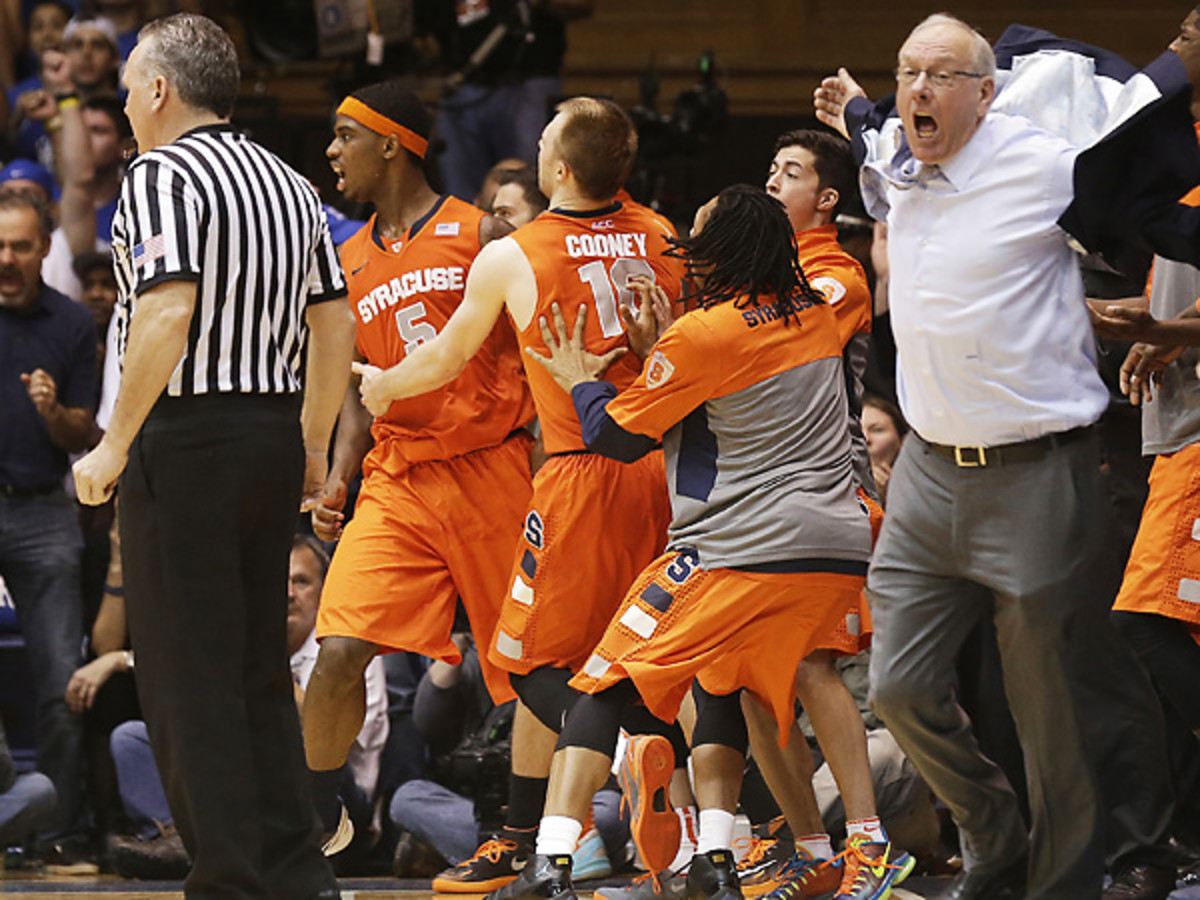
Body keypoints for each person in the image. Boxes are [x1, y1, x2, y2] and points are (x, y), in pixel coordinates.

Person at [813, 12, 1188, 900]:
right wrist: (859, 106)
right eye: (907, 73)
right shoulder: (899, 160)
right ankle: (994, 833)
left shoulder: (1045, 162)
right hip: (930, 475)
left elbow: (1131, 128)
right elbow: (875, 127)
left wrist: (1180, 60)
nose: (918, 90)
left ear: (988, 92)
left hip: (1036, 473)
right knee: (900, 686)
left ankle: (1059, 882)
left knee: (1048, 710)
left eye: (940, 75)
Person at [485, 184, 905, 900]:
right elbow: (726, 391)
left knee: (601, 679)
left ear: (722, 253)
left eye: (701, 236)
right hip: (835, 542)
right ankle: (824, 850)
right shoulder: (814, 313)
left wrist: (584, 380)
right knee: (748, 685)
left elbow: (615, 437)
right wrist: (663, 349)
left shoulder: (704, 334)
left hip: (738, 548)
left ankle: (549, 863)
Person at [349, 95, 684, 894]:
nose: (532, 145)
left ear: (560, 168)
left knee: (522, 657)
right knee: (657, 657)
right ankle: (536, 838)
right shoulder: (664, 234)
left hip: (579, 473)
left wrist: (381, 385)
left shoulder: (514, 254)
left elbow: (446, 359)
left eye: (542, 140)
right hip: (665, 473)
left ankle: (629, 755)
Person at [72, 13, 356, 900]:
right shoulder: (288, 182)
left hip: (187, 439)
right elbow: (334, 322)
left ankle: (228, 879)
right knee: (255, 669)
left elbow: (165, 310)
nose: (122, 105)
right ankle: (294, 872)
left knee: (186, 676)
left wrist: (113, 442)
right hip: (270, 433)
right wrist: (311, 444)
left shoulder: (158, 174)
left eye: (127, 88)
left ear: (160, 90)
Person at [301, 78, 536, 856]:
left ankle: (556, 831)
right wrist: (340, 475)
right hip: (401, 478)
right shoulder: (346, 258)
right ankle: (310, 819)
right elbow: (361, 393)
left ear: (392, 143)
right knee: (338, 649)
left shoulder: (484, 234)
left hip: (495, 471)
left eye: (345, 136)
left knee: (537, 674)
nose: (332, 152)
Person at [108, 534, 388, 881]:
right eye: (278, 582)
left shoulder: (345, 650)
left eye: (301, 581)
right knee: (132, 740)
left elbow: (345, 738)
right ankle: (184, 841)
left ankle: (237, 849)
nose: (287, 594)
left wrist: (261, 669)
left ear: (325, 591)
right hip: (246, 783)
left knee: (292, 747)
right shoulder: (244, 640)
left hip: (336, 799)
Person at [0, 186, 95, 867]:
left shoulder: (70, 324)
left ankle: (55, 831)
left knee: (63, 682)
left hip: (42, 506)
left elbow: (82, 433)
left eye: (20, 247)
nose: (6, 258)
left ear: (45, 248)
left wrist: (52, 410)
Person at [422, 0, 595, 200]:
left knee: (529, 187)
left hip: (529, 82)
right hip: (461, 84)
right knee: (461, 194)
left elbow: (582, 5)